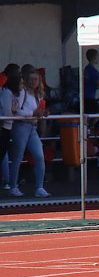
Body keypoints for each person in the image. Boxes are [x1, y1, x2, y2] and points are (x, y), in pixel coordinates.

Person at [8, 70, 49, 198]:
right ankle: (13, 186)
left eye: (36, 79)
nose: (34, 81)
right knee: (17, 157)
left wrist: (42, 114)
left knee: (40, 156)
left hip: (32, 127)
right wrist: (33, 114)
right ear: (26, 80)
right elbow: (16, 111)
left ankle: (39, 187)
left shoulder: (38, 95)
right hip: (21, 126)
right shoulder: (22, 93)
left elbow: (36, 112)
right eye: (31, 79)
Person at [0, 71, 19, 190]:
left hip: (7, 127)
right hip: (4, 127)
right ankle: (7, 181)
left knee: (3, 154)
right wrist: (14, 111)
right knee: (2, 154)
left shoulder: (11, 93)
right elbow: (8, 113)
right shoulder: (6, 93)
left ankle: (7, 180)